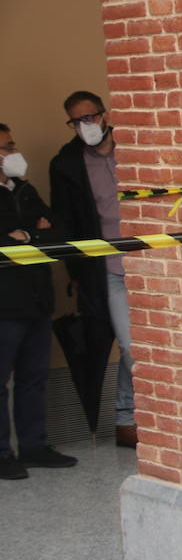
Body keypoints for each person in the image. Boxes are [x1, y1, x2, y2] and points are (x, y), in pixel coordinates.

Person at [48, 91, 138, 448]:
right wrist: (76, 273)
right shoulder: (67, 164)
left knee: (152, 344)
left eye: (89, 117)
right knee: (132, 348)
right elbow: (67, 220)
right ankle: (126, 418)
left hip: (149, 263)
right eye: (76, 121)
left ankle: (127, 417)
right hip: (108, 270)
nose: (85, 126)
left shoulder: (133, 146)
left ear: (103, 114)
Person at [0, 124, 77, 479]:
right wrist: (30, 233)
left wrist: (27, 234)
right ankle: (3, 454)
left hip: (37, 300)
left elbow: (57, 231)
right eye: (5, 147)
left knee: (34, 378)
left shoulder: (25, 190)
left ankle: (33, 446)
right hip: (4, 305)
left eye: (11, 144)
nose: (12, 152)